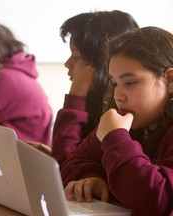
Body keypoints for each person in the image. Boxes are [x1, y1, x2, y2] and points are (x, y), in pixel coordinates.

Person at [62, 26, 173, 216]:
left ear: (170, 80)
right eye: (114, 83)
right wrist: (92, 178)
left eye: (129, 83)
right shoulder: (132, 120)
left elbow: (159, 201)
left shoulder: (119, 130)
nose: (118, 95)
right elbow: (76, 160)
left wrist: (116, 138)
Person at [52, 10, 139, 169]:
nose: (67, 63)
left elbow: (65, 167)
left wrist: (76, 94)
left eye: (76, 56)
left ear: (102, 63)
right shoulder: (96, 102)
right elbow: (71, 163)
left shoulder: (123, 112)